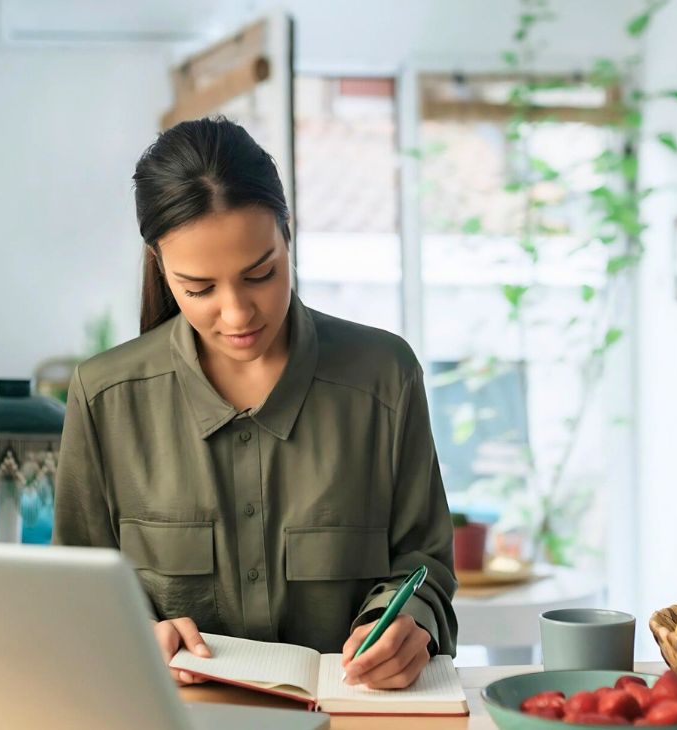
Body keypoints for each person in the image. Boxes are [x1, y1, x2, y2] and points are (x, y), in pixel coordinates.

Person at [54, 117, 456, 691]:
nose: (238, 314)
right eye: (199, 288)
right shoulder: (105, 397)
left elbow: (424, 562)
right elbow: (76, 593)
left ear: (287, 235)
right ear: (160, 266)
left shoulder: (384, 377)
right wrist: (130, 634)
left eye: (261, 274)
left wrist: (405, 625)